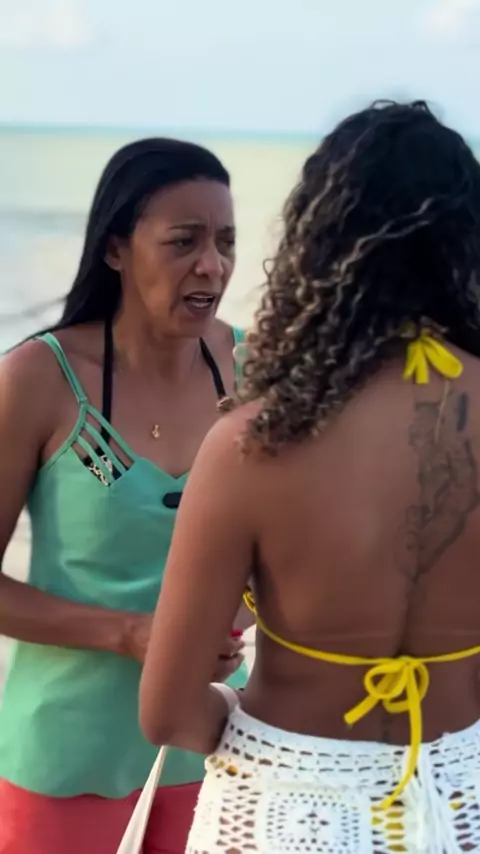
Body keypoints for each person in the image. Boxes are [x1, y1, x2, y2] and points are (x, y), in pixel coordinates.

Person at [139, 101, 480, 853]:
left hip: (285, 809)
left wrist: (252, 730)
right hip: (462, 801)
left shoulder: (254, 441)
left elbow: (167, 713)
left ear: (319, 247)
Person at [0, 137, 249, 854]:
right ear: (115, 249)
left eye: (226, 241)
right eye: (183, 241)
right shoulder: (39, 379)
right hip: (66, 761)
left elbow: (291, 543)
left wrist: (239, 612)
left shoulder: (253, 368)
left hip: (217, 749)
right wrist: (132, 636)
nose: (212, 265)